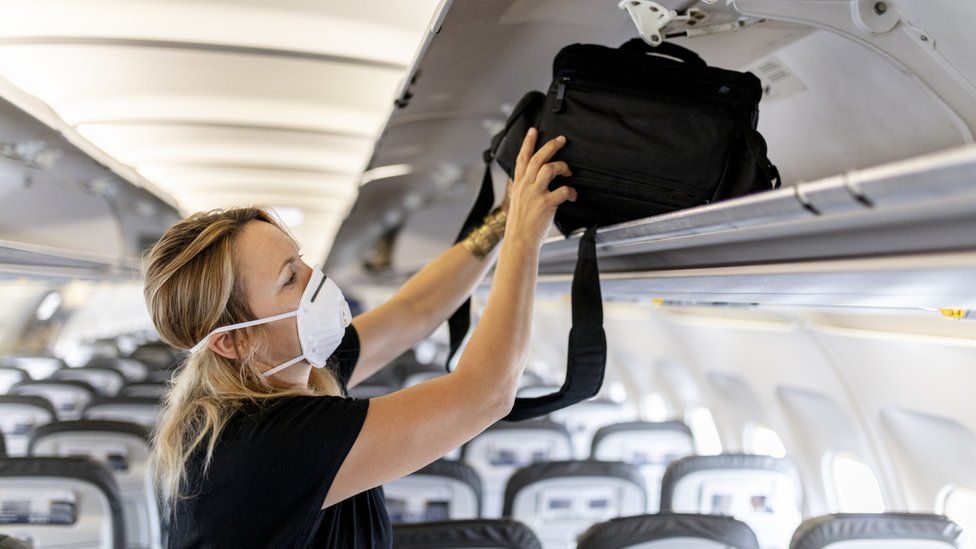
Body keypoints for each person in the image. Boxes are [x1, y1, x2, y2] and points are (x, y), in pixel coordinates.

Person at [143, 128, 576, 548]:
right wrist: (525, 236)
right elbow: (485, 394)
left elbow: (415, 309)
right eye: (289, 278)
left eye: (301, 259)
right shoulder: (265, 443)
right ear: (233, 342)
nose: (316, 279)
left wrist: (500, 221)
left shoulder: (295, 368)